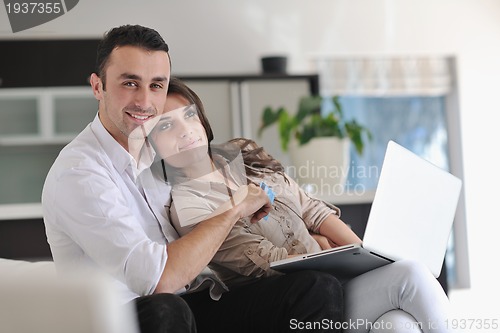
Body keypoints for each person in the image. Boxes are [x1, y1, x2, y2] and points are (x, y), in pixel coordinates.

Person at [42, 24, 344, 333]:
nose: (145, 101)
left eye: (157, 85)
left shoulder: (154, 156)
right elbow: (159, 279)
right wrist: (235, 208)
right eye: (130, 83)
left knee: (315, 287)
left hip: (188, 304)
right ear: (98, 87)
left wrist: (314, 239)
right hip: (120, 319)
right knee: (166, 309)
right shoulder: (80, 172)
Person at [149, 77, 456, 333]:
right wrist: (324, 250)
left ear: (201, 118)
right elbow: (268, 264)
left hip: (341, 275)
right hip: (310, 301)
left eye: (189, 115)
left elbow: (313, 209)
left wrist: (366, 255)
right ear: (152, 144)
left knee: (398, 325)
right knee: (411, 275)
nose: (185, 130)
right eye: (165, 126)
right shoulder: (190, 207)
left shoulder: (243, 154)